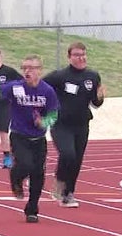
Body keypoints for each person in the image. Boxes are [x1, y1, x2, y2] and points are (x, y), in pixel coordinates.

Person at [0, 55, 60, 223]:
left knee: (38, 174)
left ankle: (32, 210)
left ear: (39, 71)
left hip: (38, 139)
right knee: (25, 164)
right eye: (24, 68)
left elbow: (54, 114)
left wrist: (44, 122)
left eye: (31, 68)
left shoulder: (47, 91)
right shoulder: (16, 87)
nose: (27, 71)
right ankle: (16, 179)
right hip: (19, 135)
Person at [43, 42, 106, 208]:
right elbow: (40, 88)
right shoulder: (59, 76)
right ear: (69, 57)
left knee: (77, 159)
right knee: (68, 154)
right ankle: (59, 180)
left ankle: (68, 192)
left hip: (82, 124)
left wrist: (100, 97)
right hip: (61, 124)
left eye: (84, 54)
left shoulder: (93, 76)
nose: (81, 58)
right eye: (77, 55)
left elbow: (95, 103)